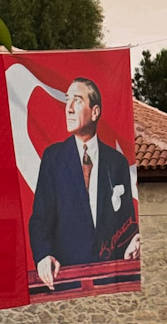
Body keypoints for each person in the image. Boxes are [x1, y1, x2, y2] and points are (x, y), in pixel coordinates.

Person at [28, 77, 140, 289]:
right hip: (66, 280)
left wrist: (132, 245)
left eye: (77, 100)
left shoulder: (117, 163)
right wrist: (43, 255)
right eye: (67, 100)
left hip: (110, 282)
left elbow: (126, 224)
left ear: (95, 112)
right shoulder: (53, 159)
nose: (68, 108)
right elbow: (40, 219)